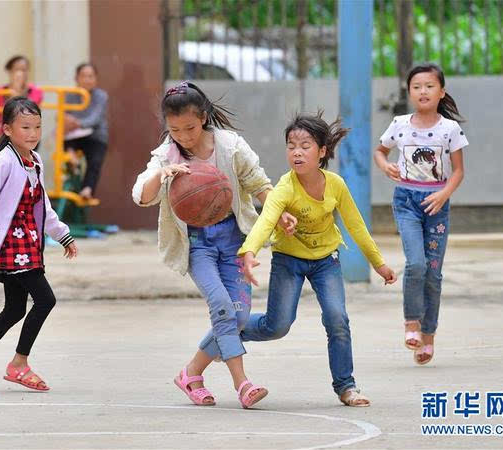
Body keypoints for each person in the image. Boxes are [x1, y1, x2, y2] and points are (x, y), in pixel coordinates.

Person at [131, 81, 295, 409]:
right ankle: (243, 384)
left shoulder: (230, 146)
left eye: (190, 128)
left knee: (238, 315)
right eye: (175, 129)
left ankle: (191, 373)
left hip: (234, 241)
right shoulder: (166, 154)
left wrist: (278, 214)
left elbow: (259, 183)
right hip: (197, 246)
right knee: (221, 306)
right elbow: (141, 197)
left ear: (203, 117)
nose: (184, 136)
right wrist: (163, 174)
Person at [239, 111, 397, 407]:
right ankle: (230, 330)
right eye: (291, 146)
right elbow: (266, 220)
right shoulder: (284, 187)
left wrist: (378, 263)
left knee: (337, 318)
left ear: (322, 151)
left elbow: (356, 226)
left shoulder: (335, 185)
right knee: (278, 325)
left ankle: (346, 386)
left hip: (326, 259)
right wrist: (249, 251)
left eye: (305, 145)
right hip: (289, 258)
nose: (296, 152)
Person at [0, 97, 78, 392]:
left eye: (37, 127)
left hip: (30, 243)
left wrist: (62, 234)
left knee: (14, 309)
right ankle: (18, 365)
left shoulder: (35, 161)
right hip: (12, 246)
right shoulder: (3, 161)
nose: (33, 133)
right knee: (46, 300)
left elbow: (41, 205)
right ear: (7, 129)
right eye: (25, 127)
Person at [374, 62, 467, 366]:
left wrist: (443, 195)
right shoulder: (400, 123)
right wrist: (385, 165)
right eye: (416, 86)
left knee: (433, 273)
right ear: (409, 92)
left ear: (441, 91)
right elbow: (379, 151)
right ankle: (411, 323)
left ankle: (428, 337)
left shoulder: (450, 129)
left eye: (429, 86)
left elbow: (458, 172)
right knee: (416, 264)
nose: (423, 91)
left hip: (436, 205)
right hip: (407, 202)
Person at [64, 63, 109, 199]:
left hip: (95, 135)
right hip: (74, 135)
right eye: (83, 76)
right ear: (76, 78)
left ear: (96, 79)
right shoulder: (70, 95)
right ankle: (71, 163)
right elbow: (64, 115)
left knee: (95, 161)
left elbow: (94, 119)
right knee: (65, 140)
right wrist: (67, 122)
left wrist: (76, 123)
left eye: (90, 76)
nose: (87, 80)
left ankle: (87, 189)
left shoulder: (101, 96)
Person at [0, 55, 44, 137]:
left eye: (25, 70)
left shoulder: (35, 91)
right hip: (4, 135)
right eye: (17, 69)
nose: (21, 73)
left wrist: (17, 92)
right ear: (10, 72)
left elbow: (31, 113)